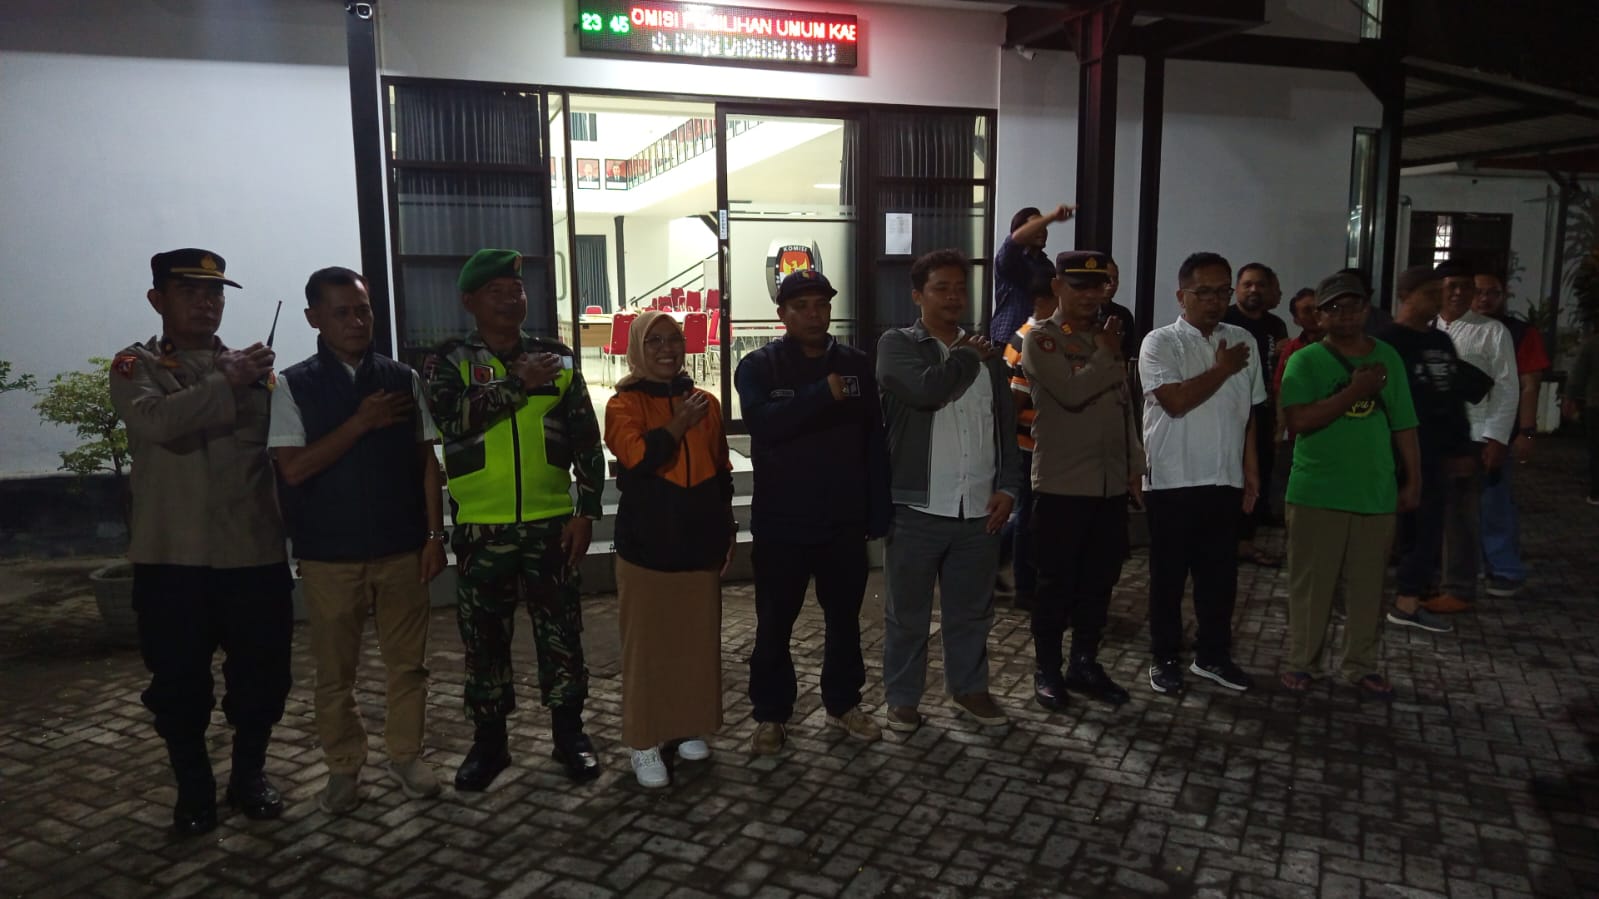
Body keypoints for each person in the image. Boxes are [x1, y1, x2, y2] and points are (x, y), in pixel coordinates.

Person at [109, 249, 291, 836]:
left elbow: (282, 448)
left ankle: (249, 776)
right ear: (157, 300)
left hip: (252, 552)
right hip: (172, 558)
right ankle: (194, 792)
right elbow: (157, 422)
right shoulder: (135, 365)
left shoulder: (257, 372)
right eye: (189, 292)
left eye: (214, 293)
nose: (206, 303)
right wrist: (224, 380)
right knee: (178, 685)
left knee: (263, 678)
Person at [422, 248, 604, 791]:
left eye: (516, 290)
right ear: (469, 301)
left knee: (561, 634)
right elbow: (453, 420)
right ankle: (489, 743)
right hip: (482, 528)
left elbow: (586, 440)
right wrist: (517, 383)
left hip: (552, 524)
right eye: (496, 291)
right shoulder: (448, 360)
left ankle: (569, 735)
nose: (510, 300)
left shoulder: (557, 358)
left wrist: (586, 510)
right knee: (484, 639)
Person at [267, 267, 445, 814]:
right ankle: (343, 767)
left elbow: (427, 464)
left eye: (363, 310)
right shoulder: (292, 386)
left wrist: (434, 536)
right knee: (334, 674)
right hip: (329, 555)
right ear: (313, 318)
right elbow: (294, 469)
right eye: (341, 312)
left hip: (401, 548)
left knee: (408, 665)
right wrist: (360, 423)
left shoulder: (401, 379)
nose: (355, 321)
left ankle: (406, 756)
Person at [737, 269, 890, 756]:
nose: (813, 314)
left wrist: (877, 510)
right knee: (774, 623)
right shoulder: (758, 366)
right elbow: (764, 424)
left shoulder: (856, 364)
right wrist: (820, 393)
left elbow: (873, 440)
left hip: (843, 520)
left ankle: (843, 704)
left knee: (844, 621)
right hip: (782, 521)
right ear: (781, 314)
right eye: (801, 306)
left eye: (821, 305)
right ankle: (771, 714)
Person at [878, 249, 1021, 731]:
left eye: (960, 288)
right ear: (918, 295)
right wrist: (966, 356)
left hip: (978, 508)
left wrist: (1009, 486)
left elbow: (1004, 427)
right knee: (908, 614)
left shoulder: (989, 357)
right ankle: (903, 698)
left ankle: (969, 689)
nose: (954, 297)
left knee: (972, 612)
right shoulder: (898, 345)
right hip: (916, 506)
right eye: (941, 288)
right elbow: (926, 391)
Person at [604, 311, 734, 787]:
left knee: (695, 641)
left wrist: (726, 527)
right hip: (647, 544)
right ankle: (644, 739)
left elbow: (720, 468)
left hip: (698, 542)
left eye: (674, 339)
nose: (666, 349)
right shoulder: (623, 404)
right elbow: (638, 457)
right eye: (654, 341)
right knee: (648, 646)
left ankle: (685, 726)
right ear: (637, 348)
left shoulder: (707, 403)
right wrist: (679, 423)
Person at [1277, 272, 1421, 698]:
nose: (1345, 315)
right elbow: (1299, 420)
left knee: (1368, 586)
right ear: (1319, 316)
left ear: (1366, 310)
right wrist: (1355, 391)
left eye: (1353, 306)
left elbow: (1405, 423)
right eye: (1334, 308)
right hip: (1317, 491)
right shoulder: (1305, 361)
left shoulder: (1387, 357)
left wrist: (1413, 479)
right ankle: (1303, 662)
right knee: (1312, 585)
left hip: (1374, 490)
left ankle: (1360, 665)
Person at [1138, 251, 1264, 695]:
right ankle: (1165, 656)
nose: (1214, 301)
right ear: (1181, 296)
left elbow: (1249, 412)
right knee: (1169, 577)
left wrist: (1251, 468)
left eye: (1222, 292)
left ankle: (1212, 655)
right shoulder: (1160, 342)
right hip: (1172, 479)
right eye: (1204, 292)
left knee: (1219, 577)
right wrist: (1221, 369)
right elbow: (1174, 401)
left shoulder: (1242, 339)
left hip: (1224, 477)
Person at [1020, 251, 1141, 709]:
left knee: (1099, 581)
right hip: (1063, 485)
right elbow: (1072, 392)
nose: (1090, 295)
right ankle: (1048, 668)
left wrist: (1134, 464)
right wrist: (1107, 353)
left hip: (1108, 484)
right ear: (1057, 287)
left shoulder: (1103, 336)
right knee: (1055, 584)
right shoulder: (1043, 339)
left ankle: (1084, 663)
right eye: (1079, 286)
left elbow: (1125, 407)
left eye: (1097, 287)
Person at [1376, 265, 1473, 634]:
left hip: (1435, 450)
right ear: (1406, 296)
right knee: (1388, 527)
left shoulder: (1441, 342)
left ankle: (1408, 599)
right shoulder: (1387, 341)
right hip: (1395, 449)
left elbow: (1452, 395)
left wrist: (1461, 445)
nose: (1438, 300)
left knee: (1428, 527)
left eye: (1439, 293)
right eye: (1430, 293)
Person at [1430, 260, 1517, 614]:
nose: (1458, 293)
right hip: (1428, 433)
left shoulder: (1492, 331)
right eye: (1451, 285)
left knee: (1460, 515)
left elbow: (1508, 388)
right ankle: (1429, 580)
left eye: (1466, 287)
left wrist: (1496, 437)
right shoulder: (1427, 328)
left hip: (1472, 434)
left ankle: (1459, 588)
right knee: (1427, 511)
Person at [1471, 268, 1550, 596]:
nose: (1484, 298)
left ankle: (1504, 566)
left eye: (1492, 292)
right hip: (1463, 428)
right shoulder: (1455, 327)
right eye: (1478, 292)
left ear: (1504, 296)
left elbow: (1530, 384)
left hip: (1499, 430)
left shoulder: (1519, 333)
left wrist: (1526, 432)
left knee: (1495, 500)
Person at [999, 272, 1060, 611]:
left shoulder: (1025, 334)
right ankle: (1024, 585)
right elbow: (1016, 401)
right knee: (1026, 516)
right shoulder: (1032, 339)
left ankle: (994, 563)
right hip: (1027, 444)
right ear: (1042, 301)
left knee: (1025, 513)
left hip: (1031, 443)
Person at [1224, 262, 1289, 560]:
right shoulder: (1225, 320)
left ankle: (1246, 539)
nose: (1254, 290)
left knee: (1259, 472)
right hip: (1229, 412)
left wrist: (1278, 418)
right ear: (1236, 288)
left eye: (1260, 284)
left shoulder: (1276, 325)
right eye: (1247, 284)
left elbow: (1279, 372)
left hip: (1263, 411)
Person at [992, 204, 1073, 343]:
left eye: (1044, 226)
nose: (1042, 230)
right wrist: (1053, 216)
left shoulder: (1047, 265)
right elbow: (1013, 241)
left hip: (1040, 336)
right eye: (1036, 226)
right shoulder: (1010, 259)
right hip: (1009, 337)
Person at [1564, 331, 1599, 505]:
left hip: (1596, 404)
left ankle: (1597, 492)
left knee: (1596, 449)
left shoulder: (1592, 343)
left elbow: (1578, 374)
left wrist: (1570, 398)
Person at [1101, 258, 1139, 361]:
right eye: (1107, 278)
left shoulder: (1123, 314)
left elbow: (1129, 351)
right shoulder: (1082, 312)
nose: (1112, 283)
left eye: (1115, 278)